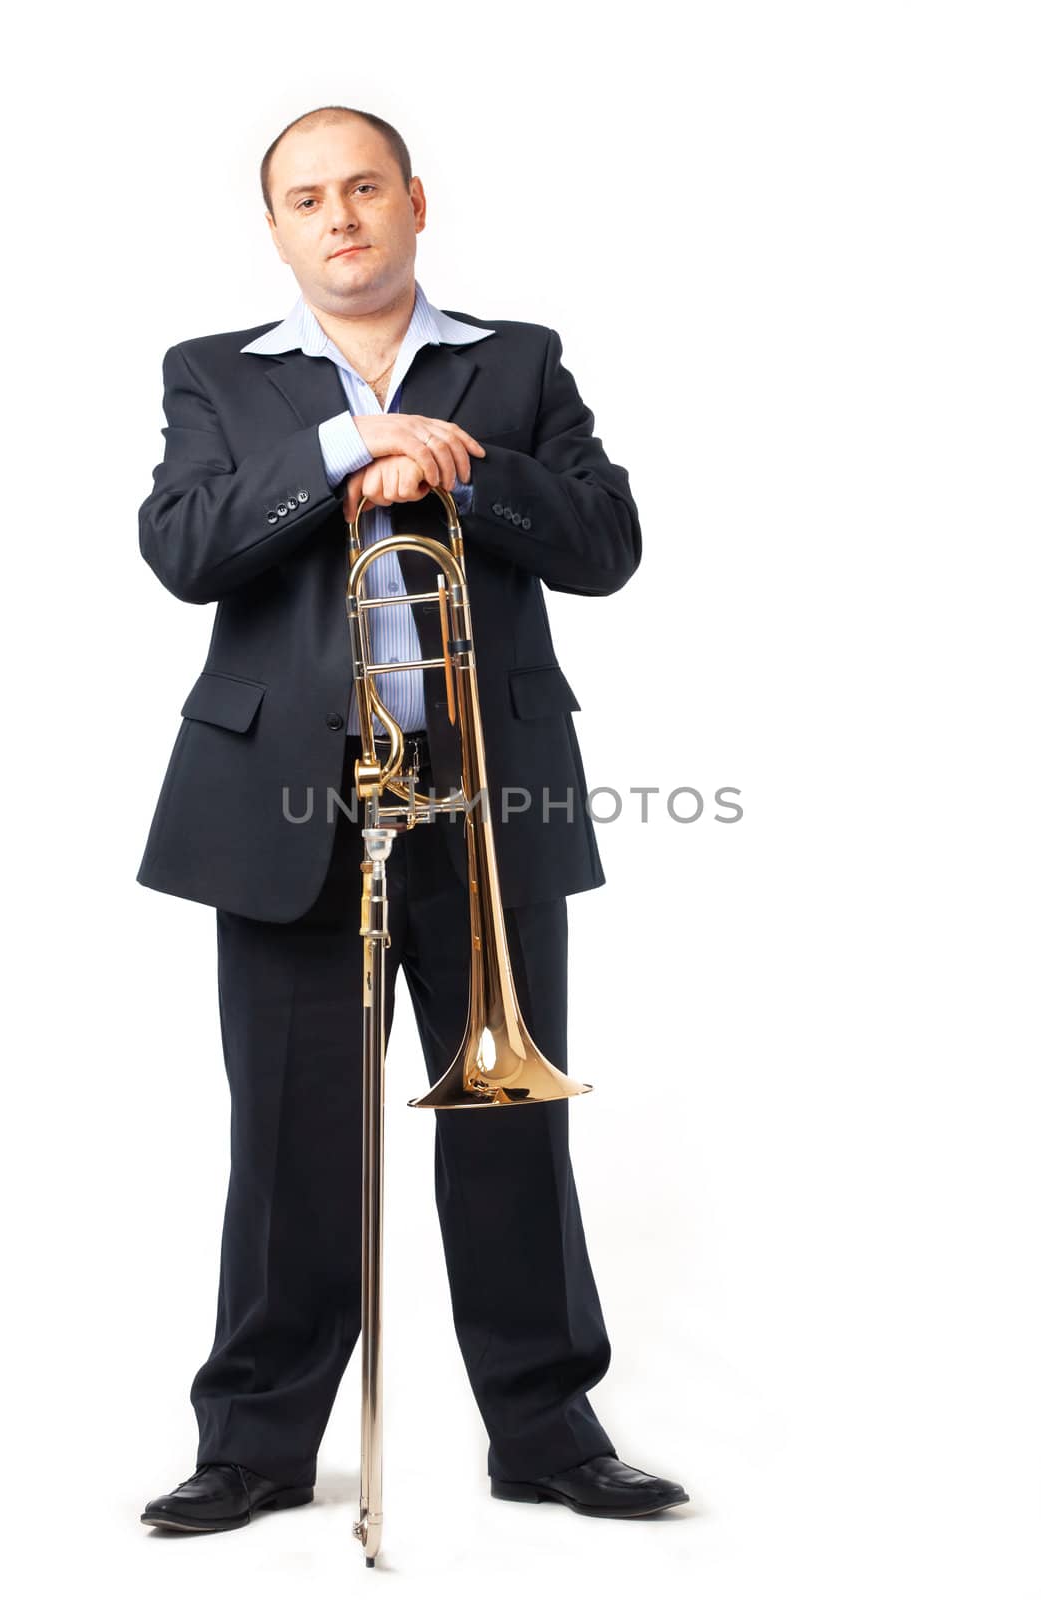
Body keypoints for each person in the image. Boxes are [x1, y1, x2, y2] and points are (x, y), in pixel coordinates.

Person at [137, 103, 688, 1534]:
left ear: (413, 201)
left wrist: (466, 467)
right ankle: (253, 1444)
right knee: (288, 1138)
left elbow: (607, 544)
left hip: (488, 797)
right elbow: (185, 548)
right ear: (277, 230)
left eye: (364, 187)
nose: (340, 216)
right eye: (307, 198)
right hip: (285, 804)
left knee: (514, 1120)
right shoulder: (215, 375)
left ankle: (549, 1431)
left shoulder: (517, 362)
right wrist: (340, 447)